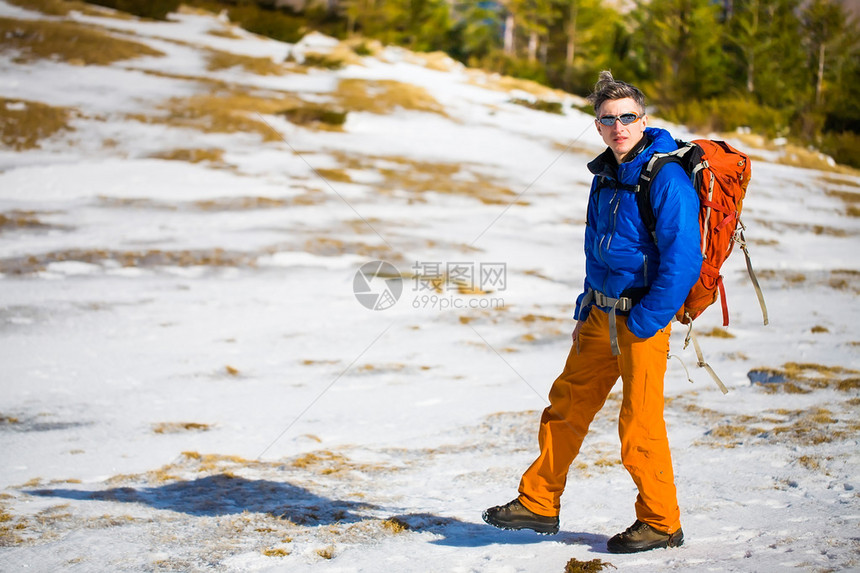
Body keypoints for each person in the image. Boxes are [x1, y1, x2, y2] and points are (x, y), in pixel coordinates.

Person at [482, 71, 702, 554]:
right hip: (600, 315)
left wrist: (647, 319)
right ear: (597, 126)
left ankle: (662, 521)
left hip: (641, 317)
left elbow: (685, 258)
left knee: (639, 425)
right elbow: (597, 247)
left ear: (643, 120)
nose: (619, 126)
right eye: (609, 119)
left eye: (628, 117)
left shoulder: (664, 177)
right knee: (566, 406)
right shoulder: (604, 173)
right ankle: (538, 502)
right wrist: (587, 301)